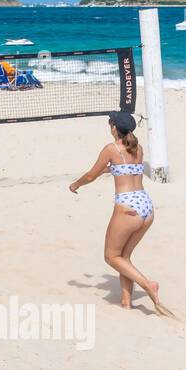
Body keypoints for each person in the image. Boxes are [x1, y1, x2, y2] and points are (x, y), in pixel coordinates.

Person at [69, 111, 174, 317]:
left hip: (127, 207)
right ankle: (126, 302)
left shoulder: (112, 148)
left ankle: (148, 285)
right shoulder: (138, 148)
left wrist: (75, 185)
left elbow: (91, 175)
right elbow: (124, 169)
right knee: (124, 257)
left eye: (110, 123)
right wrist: (109, 170)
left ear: (114, 127)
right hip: (146, 205)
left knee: (111, 256)